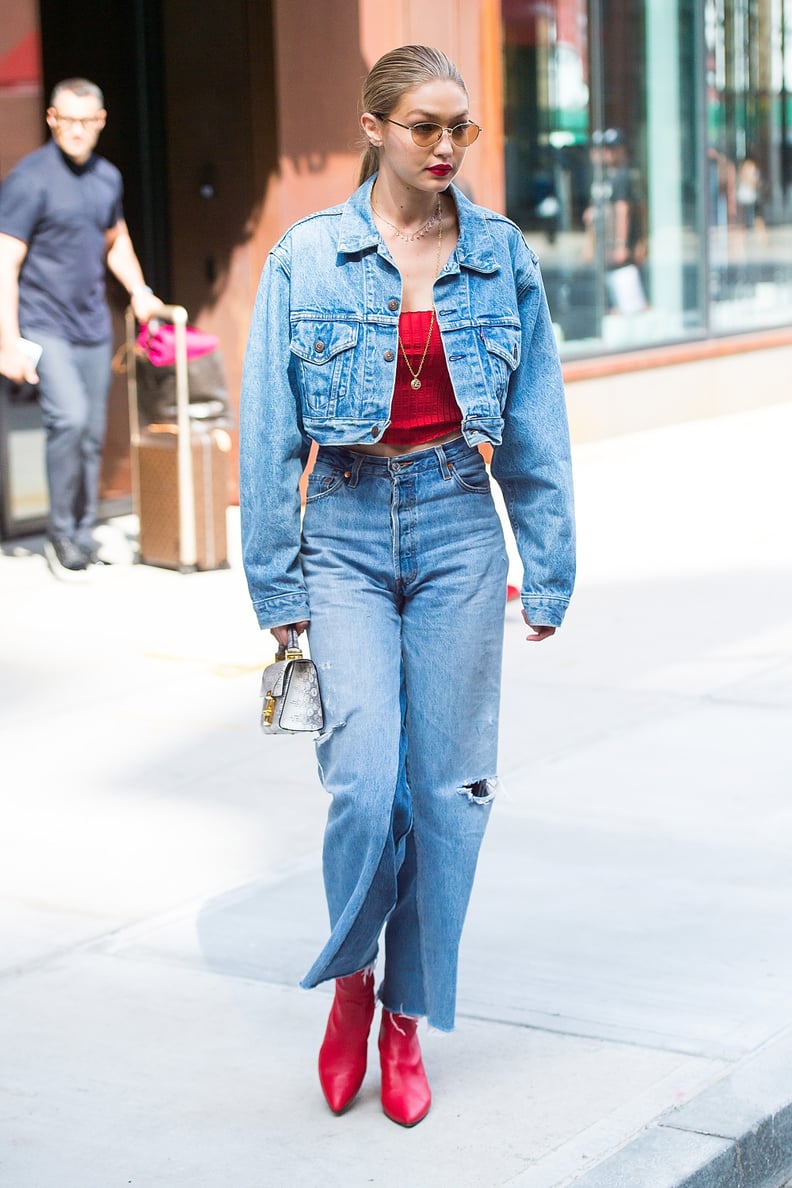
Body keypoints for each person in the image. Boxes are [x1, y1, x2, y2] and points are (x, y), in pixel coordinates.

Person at [240, 45, 575, 1127]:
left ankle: (404, 1019)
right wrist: (275, 581)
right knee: (360, 782)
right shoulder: (309, 257)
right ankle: (350, 982)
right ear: (374, 127)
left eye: (460, 130)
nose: (444, 148)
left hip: (455, 529)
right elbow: (265, 435)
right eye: (425, 126)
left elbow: (535, 423)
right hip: (339, 525)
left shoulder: (498, 254)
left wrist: (550, 560)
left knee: (449, 796)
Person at [0, 78, 162, 577]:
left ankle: (84, 531)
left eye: (85, 121)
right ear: (51, 119)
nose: (76, 130)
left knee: (91, 432)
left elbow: (116, 241)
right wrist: (6, 341)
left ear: (100, 122)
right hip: (43, 323)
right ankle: (60, 534)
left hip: (92, 323)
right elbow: (6, 259)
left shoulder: (106, 178)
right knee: (67, 420)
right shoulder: (30, 179)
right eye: (66, 120)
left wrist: (138, 291)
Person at [582, 128, 648, 314]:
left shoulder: (623, 176)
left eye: (610, 149)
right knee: (614, 299)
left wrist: (622, 244)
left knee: (630, 298)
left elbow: (623, 211)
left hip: (619, 248)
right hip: (606, 246)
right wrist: (590, 245)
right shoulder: (602, 177)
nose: (603, 153)